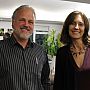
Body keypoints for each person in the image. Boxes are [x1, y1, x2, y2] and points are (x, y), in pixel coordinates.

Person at [0, 5, 50, 90]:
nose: (26, 25)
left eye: (30, 22)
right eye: (22, 20)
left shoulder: (40, 51)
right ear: (13, 23)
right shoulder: (1, 49)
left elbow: (45, 81)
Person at [53, 11, 90, 90]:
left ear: (85, 28)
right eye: (73, 23)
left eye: (80, 24)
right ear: (67, 27)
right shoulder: (61, 53)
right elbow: (58, 84)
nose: (76, 27)